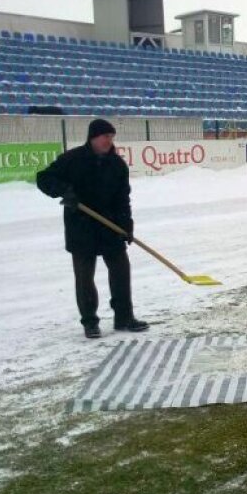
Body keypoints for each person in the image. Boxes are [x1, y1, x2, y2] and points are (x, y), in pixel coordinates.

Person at [36, 119, 148, 338]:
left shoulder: (117, 165)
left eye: (112, 137)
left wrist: (127, 226)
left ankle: (124, 318)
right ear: (93, 137)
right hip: (81, 226)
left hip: (110, 226)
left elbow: (123, 199)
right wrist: (64, 191)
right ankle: (90, 322)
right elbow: (43, 178)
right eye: (105, 136)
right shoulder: (72, 159)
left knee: (121, 272)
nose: (109, 141)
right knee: (84, 277)